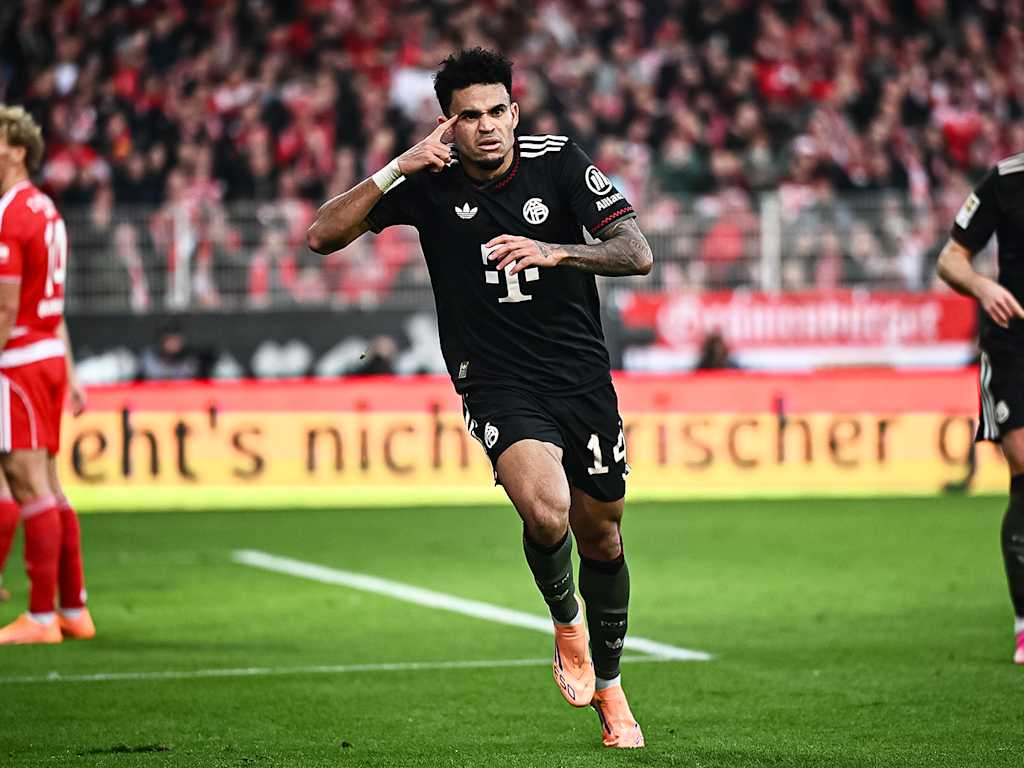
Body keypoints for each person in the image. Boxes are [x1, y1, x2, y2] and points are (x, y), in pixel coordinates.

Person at [309, 49, 653, 749]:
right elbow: (321, 235)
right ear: (449, 124)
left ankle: (612, 686)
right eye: (471, 116)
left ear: (515, 113)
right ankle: (567, 627)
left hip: (581, 376)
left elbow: (635, 250)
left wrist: (558, 251)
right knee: (546, 507)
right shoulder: (427, 182)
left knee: (603, 531)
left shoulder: (558, 161)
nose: (488, 126)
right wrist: (396, 168)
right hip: (495, 378)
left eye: (498, 111)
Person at [0, 105, 95, 644]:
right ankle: (73, 609)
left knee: (26, 480)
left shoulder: (11, 212)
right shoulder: (46, 210)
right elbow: (51, 305)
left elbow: (6, 309)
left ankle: (39, 617)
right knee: (51, 483)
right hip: (49, 356)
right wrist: (72, 368)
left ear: (16, 148)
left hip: (17, 360)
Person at [937, 151, 1024, 665]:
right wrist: (982, 285)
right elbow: (951, 257)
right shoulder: (1007, 180)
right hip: (1014, 347)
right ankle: (1023, 622)